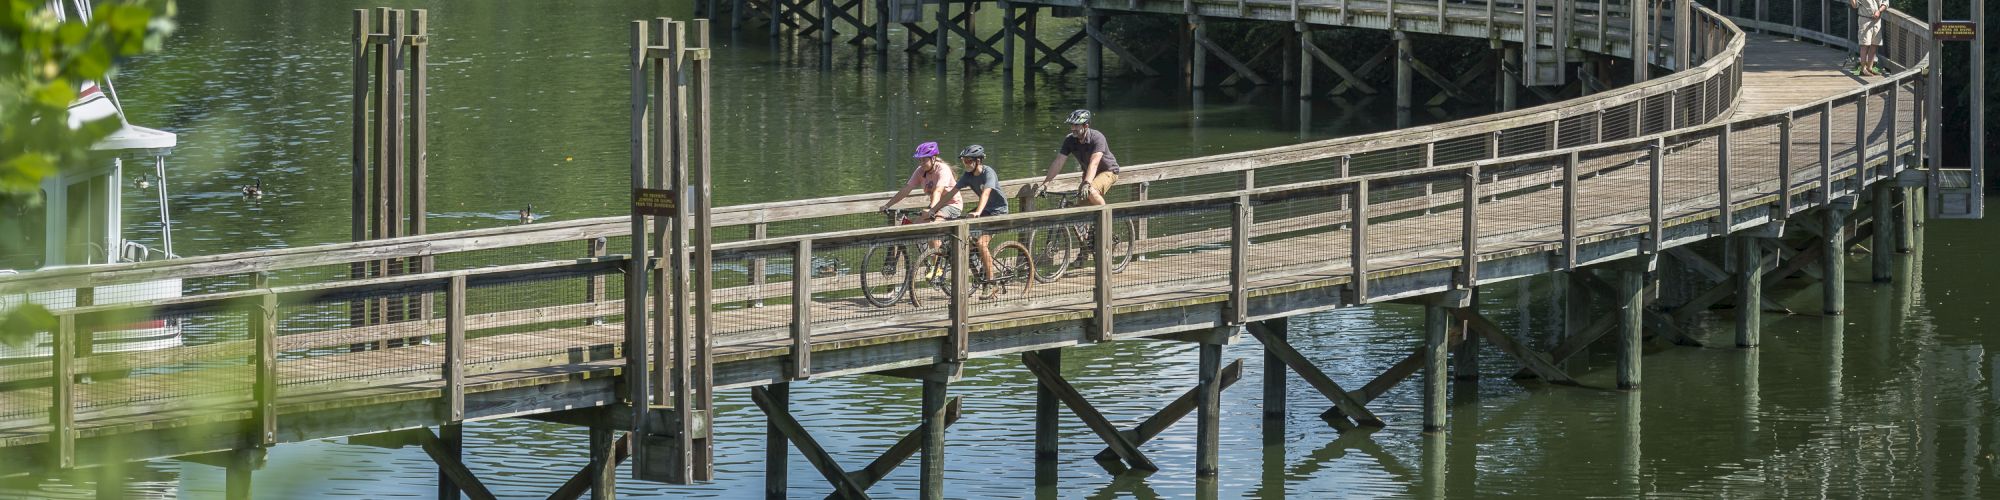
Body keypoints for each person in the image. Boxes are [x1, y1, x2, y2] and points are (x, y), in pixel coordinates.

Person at [932, 144, 1009, 295]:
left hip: (998, 213)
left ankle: (991, 282)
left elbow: (986, 193)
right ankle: (978, 265)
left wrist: (978, 211)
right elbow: (951, 193)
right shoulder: (968, 176)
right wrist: (933, 210)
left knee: (981, 243)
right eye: (963, 161)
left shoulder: (988, 173)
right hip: (985, 211)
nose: (965, 164)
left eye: (968, 161)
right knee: (964, 237)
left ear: (978, 161)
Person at [1038, 109, 1119, 206]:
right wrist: (1045, 184)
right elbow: (1058, 162)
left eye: (1076, 125)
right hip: (1088, 173)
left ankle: (1106, 214)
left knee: (1090, 191)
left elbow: (1094, 163)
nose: (1073, 128)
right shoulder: (1069, 140)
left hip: (1108, 171)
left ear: (1086, 126)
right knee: (1081, 207)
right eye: (1071, 125)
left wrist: (1087, 183)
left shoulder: (1097, 137)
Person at [881, 141, 962, 222]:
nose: (921, 163)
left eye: (924, 160)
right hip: (935, 205)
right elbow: (906, 189)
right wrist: (887, 205)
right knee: (916, 224)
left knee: (935, 221)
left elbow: (938, 191)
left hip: (952, 205)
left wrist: (931, 209)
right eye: (919, 160)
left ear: (933, 159)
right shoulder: (920, 170)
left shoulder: (943, 169)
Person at [1852, 0, 1886, 76]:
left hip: (1877, 21)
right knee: (1865, 45)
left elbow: (1885, 3)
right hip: (1865, 20)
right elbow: (1855, 5)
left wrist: (1879, 11)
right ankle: (1863, 69)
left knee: (1874, 44)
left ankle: (1869, 68)